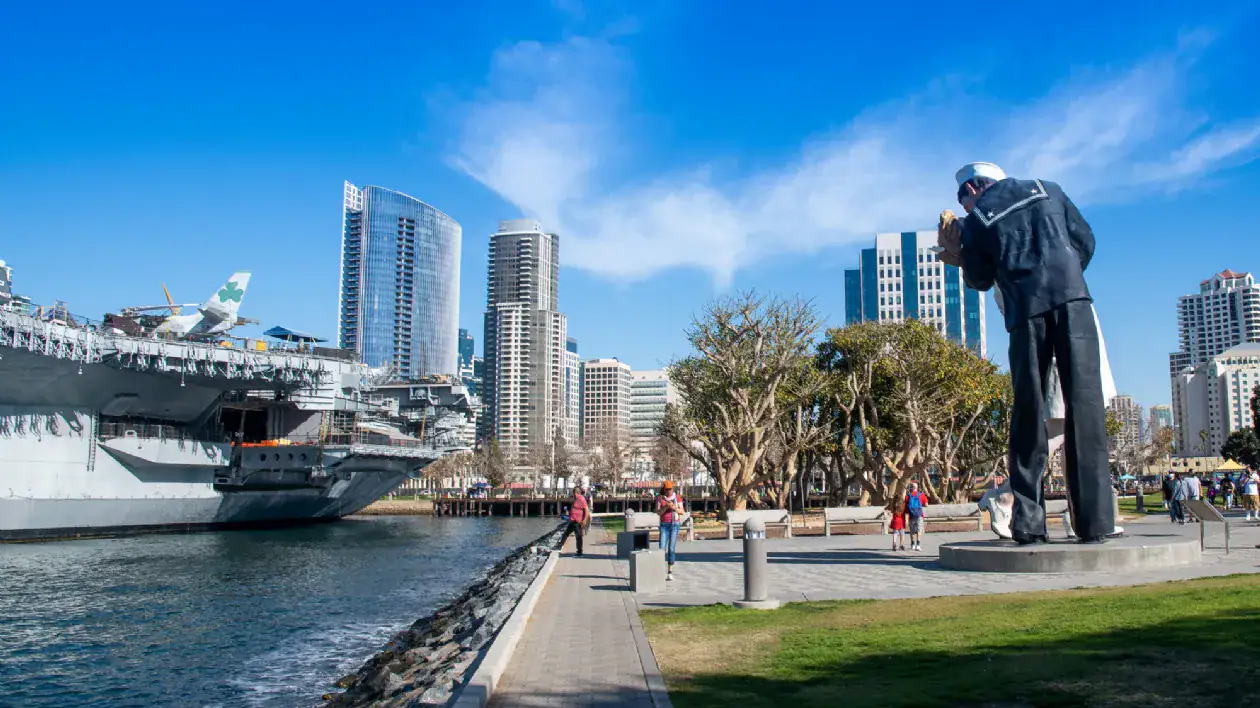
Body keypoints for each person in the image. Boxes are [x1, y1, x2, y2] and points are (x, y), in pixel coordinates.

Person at [939, 162, 1113, 545]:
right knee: (1085, 409)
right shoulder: (1049, 187)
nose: (963, 207)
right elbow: (1085, 241)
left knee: (1030, 415)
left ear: (972, 187)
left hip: (1026, 312)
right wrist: (1063, 277)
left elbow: (981, 280)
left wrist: (961, 254)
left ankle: (1030, 524)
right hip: (1074, 301)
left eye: (961, 198)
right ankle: (1096, 522)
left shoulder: (981, 218)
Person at [656, 480, 685, 581]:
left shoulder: (677, 498)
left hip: (674, 525)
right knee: (661, 548)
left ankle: (670, 572)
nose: (669, 491)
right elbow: (658, 512)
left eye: (670, 489)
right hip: (664, 525)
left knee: (671, 549)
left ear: (673, 489)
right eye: (667, 489)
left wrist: (674, 508)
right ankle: (659, 571)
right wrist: (665, 507)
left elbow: (682, 511)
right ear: (664, 489)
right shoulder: (660, 498)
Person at [558, 486, 590, 556]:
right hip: (572, 520)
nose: (573, 494)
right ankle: (559, 546)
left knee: (578, 536)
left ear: (576, 492)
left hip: (577, 521)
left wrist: (584, 520)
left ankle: (579, 552)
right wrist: (569, 513)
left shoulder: (581, 499)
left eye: (574, 492)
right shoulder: (575, 499)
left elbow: (586, 510)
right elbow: (574, 508)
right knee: (566, 533)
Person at [904, 482, 929, 551]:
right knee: (919, 530)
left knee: (912, 530)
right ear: (917, 488)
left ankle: (912, 544)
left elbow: (906, 507)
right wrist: (920, 506)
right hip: (919, 515)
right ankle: (918, 545)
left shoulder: (908, 496)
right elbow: (926, 505)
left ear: (911, 488)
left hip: (911, 515)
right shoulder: (921, 495)